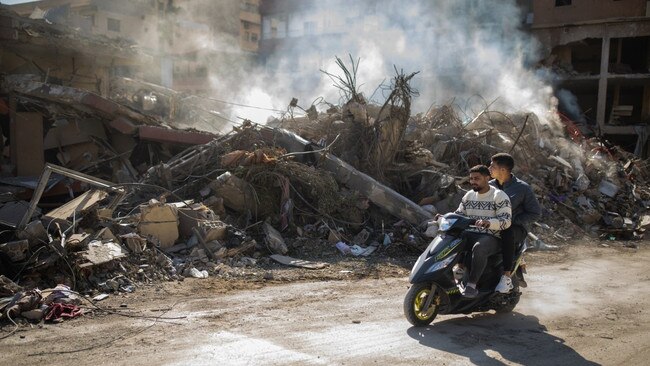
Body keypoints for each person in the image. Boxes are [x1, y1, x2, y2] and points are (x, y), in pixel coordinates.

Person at [453, 165, 512, 298]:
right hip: (470, 233)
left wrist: (489, 223)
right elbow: (459, 214)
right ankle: (458, 270)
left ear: (487, 178)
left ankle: (471, 285)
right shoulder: (469, 195)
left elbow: (506, 221)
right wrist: (443, 217)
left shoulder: (499, 196)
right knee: (451, 239)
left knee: (479, 247)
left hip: (492, 236)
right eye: (471, 179)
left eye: (477, 178)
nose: (473, 181)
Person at [488, 153, 542, 293]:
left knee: (507, 233)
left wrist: (513, 221)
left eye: (492, 166)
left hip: (515, 229)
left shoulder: (522, 188)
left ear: (503, 170)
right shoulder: (488, 186)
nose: (489, 168)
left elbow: (535, 213)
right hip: (490, 225)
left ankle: (506, 277)